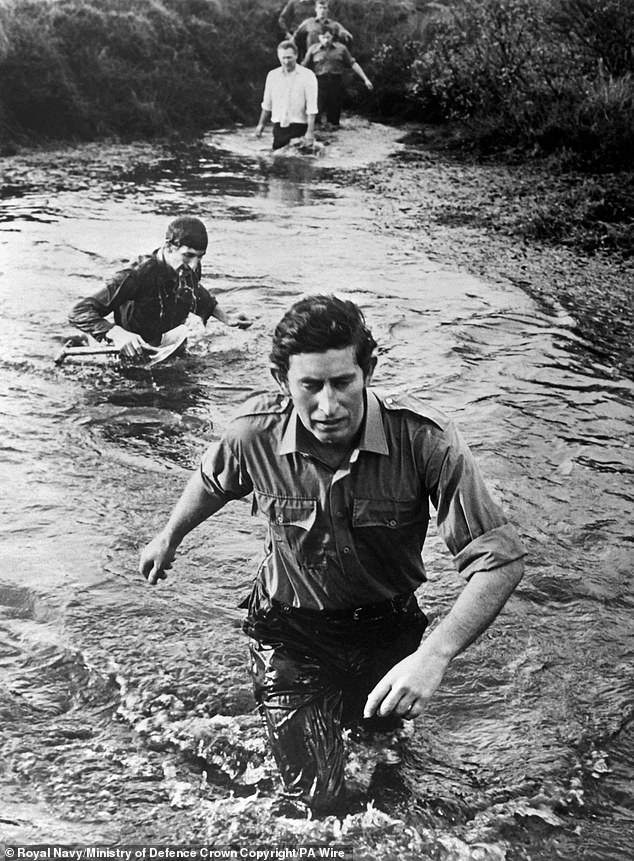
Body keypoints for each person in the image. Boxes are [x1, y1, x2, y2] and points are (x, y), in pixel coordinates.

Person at [139, 294, 526, 816]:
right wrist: (169, 536)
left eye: (343, 383)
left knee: (384, 771)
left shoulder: (424, 440)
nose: (328, 407)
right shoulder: (253, 433)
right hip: (289, 633)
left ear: (367, 372)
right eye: (310, 387)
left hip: (389, 634)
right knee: (316, 803)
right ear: (284, 382)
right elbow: (213, 482)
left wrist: (435, 654)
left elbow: (499, 561)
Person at [69, 216, 252, 359]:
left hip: (165, 346)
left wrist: (226, 318)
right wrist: (117, 333)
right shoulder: (136, 275)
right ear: (169, 247)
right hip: (131, 351)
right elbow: (79, 311)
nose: (194, 265)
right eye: (188, 255)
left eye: (200, 257)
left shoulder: (188, 266)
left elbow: (195, 290)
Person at [302, 25, 373, 128]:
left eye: (328, 37)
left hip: (336, 82)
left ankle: (333, 134)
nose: (326, 40)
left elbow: (353, 64)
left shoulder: (341, 49)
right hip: (319, 82)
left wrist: (366, 79)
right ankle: (314, 133)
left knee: (334, 113)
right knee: (316, 110)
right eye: (323, 37)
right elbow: (304, 66)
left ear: (332, 37)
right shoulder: (313, 49)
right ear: (319, 37)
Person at [255, 41, 318, 151]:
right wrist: (260, 126)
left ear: (296, 55)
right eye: (283, 58)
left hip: (300, 127)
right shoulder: (272, 76)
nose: (286, 61)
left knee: (298, 163)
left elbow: (312, 108)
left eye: (289, 57)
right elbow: (267, 105)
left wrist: (310, 132)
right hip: (279, 127)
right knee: (278, 162)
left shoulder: (308, 76)